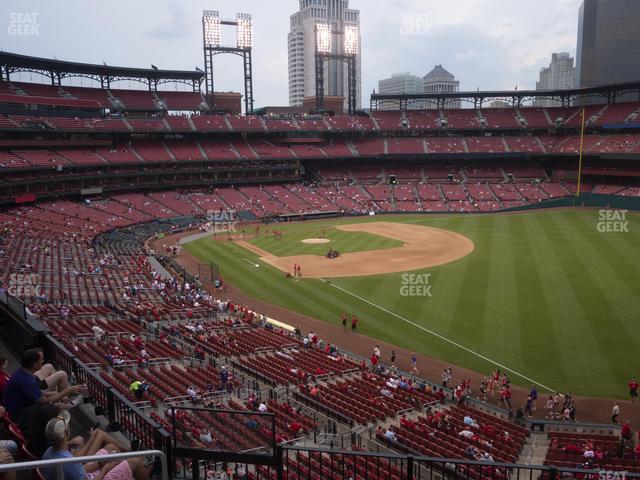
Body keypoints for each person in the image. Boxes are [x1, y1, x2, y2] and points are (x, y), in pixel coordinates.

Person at [2, 348, 85, 435]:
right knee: (61, 407)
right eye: (40, 360)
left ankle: (67, 405)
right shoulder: (26, 380)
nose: (42, 362)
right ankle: (61, 436)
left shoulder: (23, 372)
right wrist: (69, 389)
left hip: (20, 407)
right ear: (34, 364)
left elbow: (34, 391)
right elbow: (44, 400)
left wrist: (54, 394)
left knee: (55, 396)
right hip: (21, 415)